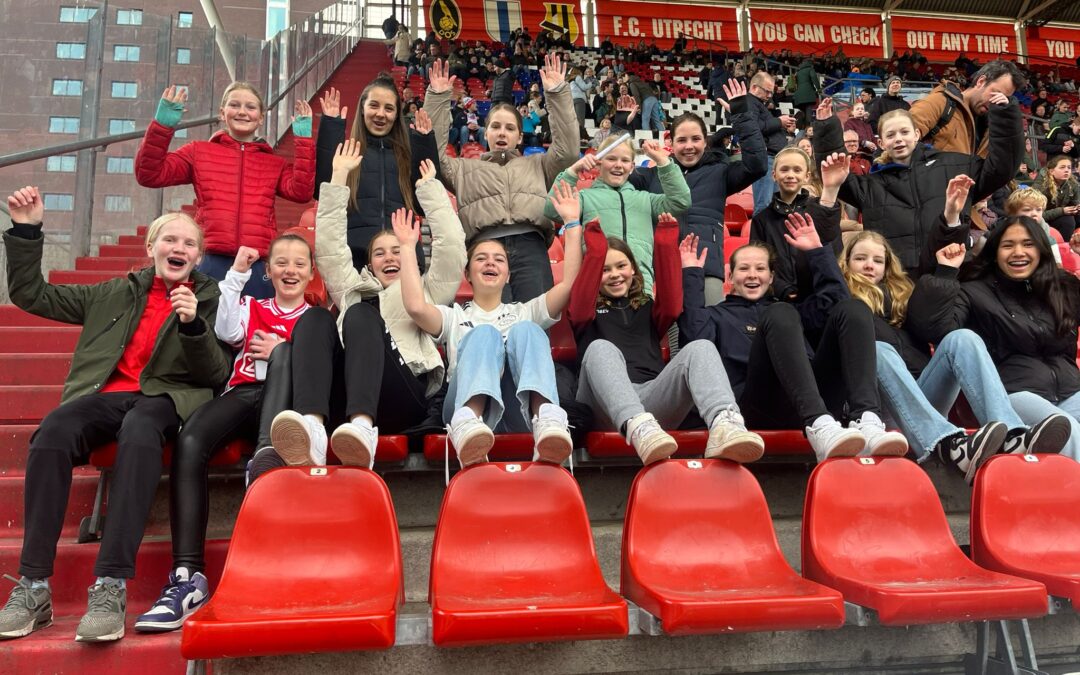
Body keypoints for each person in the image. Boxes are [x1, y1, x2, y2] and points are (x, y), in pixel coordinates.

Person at [0, 188, 231, 642]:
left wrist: (194, 327)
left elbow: (216, 373)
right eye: (170, 240)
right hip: (106, 394)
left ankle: (110, 584)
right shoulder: (112, 293)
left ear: (199, 257)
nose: (178, 249)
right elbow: (31, 295)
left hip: (167, 399)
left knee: (141, 429)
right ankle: (33, 587)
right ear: (152, 249)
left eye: (188, 244)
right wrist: (27, 231)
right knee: (52, 431)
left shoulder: (212, 298)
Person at [134, 234, 314, 633]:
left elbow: (322, 369)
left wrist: (285, 350)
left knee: (277, 440)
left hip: (286, 400)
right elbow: (227, 328)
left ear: (311, 273)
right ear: (268, 272)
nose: (290, 270)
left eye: (300, 264)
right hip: (244, 393)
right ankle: (187, 577)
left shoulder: (315, 320)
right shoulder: (252, 305)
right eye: (281, 263)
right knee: (191, 438)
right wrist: (237, 273)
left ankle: (273, 551)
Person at [264, 145, 466, 470]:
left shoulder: (427, 291)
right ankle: (313, 427)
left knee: (360, 315)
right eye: (380, 253)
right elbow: (330, 248)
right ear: (369, 266)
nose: (389, 257)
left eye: (397, 250)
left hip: (402, 395)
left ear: (411, 256)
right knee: (316, 317)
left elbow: (453, 249)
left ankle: (363, 427)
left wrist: (430, 192)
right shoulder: (354, 291)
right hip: (343, 396)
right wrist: (340, 177)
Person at [840, 229, 1070, 483]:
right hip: (877, 412)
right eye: (861, 258)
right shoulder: (841, 301)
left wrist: (947, 269)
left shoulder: (904, 298)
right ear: (846, 262)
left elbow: (933, 319)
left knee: (963, 337)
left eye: (878, 260)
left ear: (888, 266)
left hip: (924, 397)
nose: (869, 265)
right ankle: (950, 444)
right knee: (880, 350)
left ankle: (1013, 435)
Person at [679, 213, 908, 461]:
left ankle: (867, 419)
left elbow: (836, 303)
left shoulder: (795, 311)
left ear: (771, 277)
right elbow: (694, 338)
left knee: (854, 308)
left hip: (814, 395)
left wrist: (817, 252)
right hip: (758, 402)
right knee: (779, 313)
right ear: (730, 277)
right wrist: (691, 274)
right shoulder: (717, 316)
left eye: (760, 269)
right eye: (744, 269)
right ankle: (817, 425)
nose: (753, 275)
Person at [398, 182, 584, 467]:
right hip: (460, 410)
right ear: (468, 274)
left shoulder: (525, 312)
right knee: (484, 334)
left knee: (528, 329)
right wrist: (407, 247)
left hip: (517, 411)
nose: (491, 263)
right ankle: (468, 421)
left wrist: (572, 223)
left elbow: (569, 285)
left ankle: (547, 419)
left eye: (499, 259)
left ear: (508, 275)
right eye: (481, 258)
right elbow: (415, 306)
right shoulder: (455, 316)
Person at [568, 217, 765, 464]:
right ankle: (636, 424)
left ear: (633, 269)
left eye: (621, 266)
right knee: (600, 348)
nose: (615, 275)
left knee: (700, 348)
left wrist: (664, 242)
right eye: (605, 270)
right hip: (602, 404)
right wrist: (595, 251)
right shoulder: (584, 310)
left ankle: (725, 424)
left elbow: (672, 306)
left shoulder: (645, 307)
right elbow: (580, 306)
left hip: (651, 402)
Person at [907, 217, 1080, 462]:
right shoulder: (975, 290)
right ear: (995, 252)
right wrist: (945, 273)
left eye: (1027, 244)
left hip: (1072, 391)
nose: (1018, 252)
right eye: (1008, 245)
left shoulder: (1062, 288)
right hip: (1016, 394)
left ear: (1041, 249)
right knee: (1069, 429)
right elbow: (935, 329)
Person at [134, 83, 315, 299]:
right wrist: (162, 126)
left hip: (256, 263)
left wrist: (304, 141)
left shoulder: (273, 162)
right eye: (234, 105)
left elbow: (301, 191)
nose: (242, 112)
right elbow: (150, 174)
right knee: (202, 327)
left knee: (253, 330)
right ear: (222, 113)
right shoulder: (198, 151)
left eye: (250, 107)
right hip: (210, 260)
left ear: (261, 118)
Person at [425, 55, 579, 302]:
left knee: (535, 325)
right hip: (485, 248)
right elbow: (432, 155)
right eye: (495, 126)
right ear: (486, 132)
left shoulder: (539, 164)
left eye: (510, 128)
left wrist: (558, 94)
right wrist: (437, 98)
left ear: (520, 137)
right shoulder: (464, 169)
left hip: (532, 247)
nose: (502, 133)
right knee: (492, 326)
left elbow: (569, 151)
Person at [833, 106, 1023, 277]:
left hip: (949, 272)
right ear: (881, 143)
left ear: (916, 134)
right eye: (890, 135)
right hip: (895, 280)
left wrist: (1004, 116)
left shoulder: (954, 165)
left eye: (904, 132)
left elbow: (1001, 169)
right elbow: (833, 175)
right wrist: (826, 125)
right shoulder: (870, 185)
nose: (898, 138)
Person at [630, 80, 767, 304]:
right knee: (668, 336)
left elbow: (758, 165)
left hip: (706, 268)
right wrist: (620, 124)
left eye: (696, 139)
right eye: (681, 140)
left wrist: (741, 114)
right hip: (659, 269)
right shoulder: (650, 176)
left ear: (706, 142)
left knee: (705, 330)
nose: (689, 146)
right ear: (670, 143)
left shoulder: (720, 172)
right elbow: (615, 171)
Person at [313, 80, 439, 271]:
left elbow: (424, 206)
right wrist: (330, 128)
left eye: (389, 108)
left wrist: (424, 144)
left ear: (397, 115)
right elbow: (322, 191)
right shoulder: (347, 154)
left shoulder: (407, 157)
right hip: (354, 264)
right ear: (362, 109)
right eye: (374, 105)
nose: (381, 114)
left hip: (403, 263)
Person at [546, 136, 690, 294]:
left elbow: (681, 201)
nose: (618, 165)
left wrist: (662, 162)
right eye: (611, 158)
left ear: (632, 166)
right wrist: (573, 170)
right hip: (598, 288)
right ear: (598, 162)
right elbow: (552, 210)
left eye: (625, 160)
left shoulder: (646, 200)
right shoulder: (584, 197)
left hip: (642, 287)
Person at [749, 149, 844, 302]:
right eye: (784, 169)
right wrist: (781, 288)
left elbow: (834, 250)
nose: (790, 175)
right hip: (780, 300)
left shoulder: (819, 211)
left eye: (797, 170)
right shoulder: (762, 219)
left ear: (806, 176)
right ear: (774, 175)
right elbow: (757, 261)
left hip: (818, 294)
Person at [908, 60, 1025, 158]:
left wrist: (1007, 118)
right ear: (981, 81)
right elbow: (900, 142)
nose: (995, 101)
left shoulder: (992, 125)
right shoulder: (939, 102)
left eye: (1003, 98)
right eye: (995, 93)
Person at [746, 72, 797, 215]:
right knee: (765, 206)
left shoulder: (756, 104)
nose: (770, 95)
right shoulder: (750, 102)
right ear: (755, 87)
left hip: (772, 159)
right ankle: (760, 238)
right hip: (766, 158)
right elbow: (755, 127)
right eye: (767, 91)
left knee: (774, 205)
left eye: (771, 92)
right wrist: (779, 121)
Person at [1035, 155, 1080, 240]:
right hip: (1044, 220)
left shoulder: (1073, 184)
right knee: (1067, 220)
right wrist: (1062, 211)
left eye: (1069, 168)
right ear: (1052, 171)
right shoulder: (1040, 187)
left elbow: (1075, 202)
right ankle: (1064, 248)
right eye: (1062, 167)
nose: (1066, 170)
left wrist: (1077, 208)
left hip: (1062, 215)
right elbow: (1038, 215)